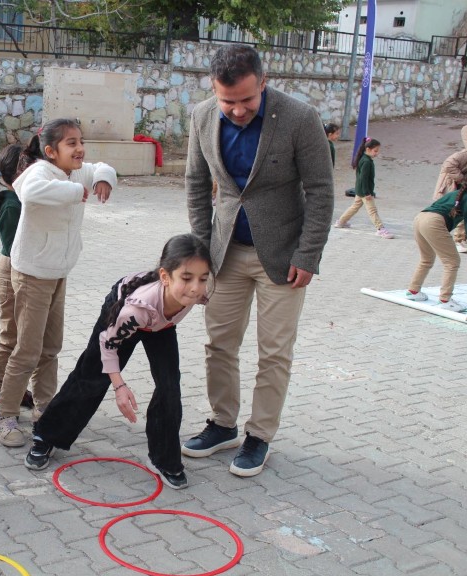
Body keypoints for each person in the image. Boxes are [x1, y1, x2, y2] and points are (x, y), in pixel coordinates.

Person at [183, 44, 334, 477]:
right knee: (219, 344)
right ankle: (223, 424)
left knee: (274, 353)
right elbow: (196, 182)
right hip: (225, 254)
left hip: (283, 258)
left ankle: (259, 435)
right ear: (214, 90)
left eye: (246, 100)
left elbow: (321, 190)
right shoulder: (202, 115)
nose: (236, 110)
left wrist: (309, 254)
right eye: (227, 100)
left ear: (263, 83)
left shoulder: (300, 118)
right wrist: (200, 248)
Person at [24, 234, 212, 489]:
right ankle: (46, 435)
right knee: (91, 377)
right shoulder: (134, 310)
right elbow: (109, 347)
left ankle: (164, 459)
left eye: (203, 278)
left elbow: (207, 293)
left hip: (161, 324)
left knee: (170, 389)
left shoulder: (196, 293)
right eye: (187, 278)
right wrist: (120, 387)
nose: (196, 287)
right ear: (165, 277)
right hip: (126, 314)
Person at [0, 118, 116, 448]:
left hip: (59, 272)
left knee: (51, 348)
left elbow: (102, 167)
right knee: (27, 349)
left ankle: (45, 409)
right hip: (33, 274)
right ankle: (5, 415)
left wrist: (103, 178)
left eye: (80, 141)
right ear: (50, 151)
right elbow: (28, 191)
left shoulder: (77, 172)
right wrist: (77, 191)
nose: (79, 149)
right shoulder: (39, 173)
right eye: (71, 143)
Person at [0, 143, 35, 417]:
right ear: (17, 172)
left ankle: (13, 388)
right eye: (27, 166)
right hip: (11, 274)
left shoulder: (16, 198)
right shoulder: (11, 204)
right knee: (9, 336)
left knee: (20, 336)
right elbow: (16, 247)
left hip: (16, 271)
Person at [405, 167, 467, 313]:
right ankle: (445, 299)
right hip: (434, 222)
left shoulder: (457, 193)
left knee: (427, 259)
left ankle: (413, 291)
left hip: (420, 218)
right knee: (452, 262)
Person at [431, 125, 467, 253]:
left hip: (466, 190)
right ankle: (457, 240)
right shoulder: (466, 154)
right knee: (457, 214)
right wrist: (462, 178)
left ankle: (460, 239)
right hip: (458, 188)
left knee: (463, 214)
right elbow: (448, 165)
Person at [333, 138, 394, 239]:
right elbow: (363, 179)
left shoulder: (365, 159)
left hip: (360, 190)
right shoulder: (366, 162)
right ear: (368, 149)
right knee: (372, 210)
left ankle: (341, 222)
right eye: (375, 151)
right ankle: (380, 229)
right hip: (364, 192)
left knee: (354, 207)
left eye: (378, 151)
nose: (377, 153)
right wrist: (367, 193)